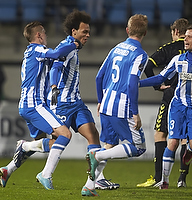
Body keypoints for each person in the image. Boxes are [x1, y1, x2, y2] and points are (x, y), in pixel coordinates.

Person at [136, 18, 192, 188]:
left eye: (189, 37)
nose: (185, 39)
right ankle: (164, 180)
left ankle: (188, 155)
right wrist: (139, 83)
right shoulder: (178, 60)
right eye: (185, 36)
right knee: (172, 141)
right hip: (177, 106)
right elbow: (161, 77)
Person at [0, 21, 80, 189]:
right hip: (35, 105)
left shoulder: (31, 53)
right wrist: (73, 44)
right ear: (39, 35)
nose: (47, 37)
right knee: (65, 134)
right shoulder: (37, 50)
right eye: (45, 34)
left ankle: (8, 169)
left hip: (28, 105)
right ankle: (44, 173)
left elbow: (54, 61)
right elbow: (56, 53)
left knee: (48, 142)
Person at [45, 9, 119, 196]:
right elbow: (55, 66)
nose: (88, 34)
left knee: (93, 135)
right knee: (54, 143)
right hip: (63, 104)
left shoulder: (73, 48)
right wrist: (54, 87)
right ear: (73, 32)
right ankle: (30, 159)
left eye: (88, 31)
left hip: (76, 104)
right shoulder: (67, 47)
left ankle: (94, 180)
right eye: (84, 31)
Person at [85, 14, 149, 196]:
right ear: (145, 32)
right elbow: (131, 83)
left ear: (127, 30)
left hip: (106, 104)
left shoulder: (116, 48)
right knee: (138, 147)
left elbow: (99, 76)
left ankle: (89, 185)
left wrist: (99, 101)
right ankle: (97, 155)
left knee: (110, 144)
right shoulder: (140, 55)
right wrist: (135, 113)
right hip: (122, 107)